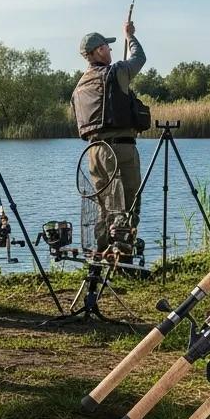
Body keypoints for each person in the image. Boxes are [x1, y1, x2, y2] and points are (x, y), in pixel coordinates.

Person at [70, 21, 149, 257]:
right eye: (107, 46)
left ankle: (102, 251)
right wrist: (130, 36)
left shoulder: (79, 86)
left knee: (104, 205)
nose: (110, 51)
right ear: (98, 51)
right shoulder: (116, 72)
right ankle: (122, 255)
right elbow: (140, 58)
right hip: (119, 150)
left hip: (94, 152)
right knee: (126, 202)